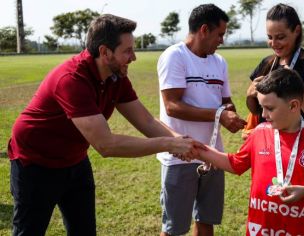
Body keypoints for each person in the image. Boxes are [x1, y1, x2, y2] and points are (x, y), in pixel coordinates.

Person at [7, 14, 204, 236]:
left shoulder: (116, 77)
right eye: (127, 51)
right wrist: (169, 144)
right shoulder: (72, 79)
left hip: (74, 160)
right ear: (104, 52)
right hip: (35, 163)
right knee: (28, 232)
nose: (134, 57)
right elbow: (106, 145)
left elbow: (146, 121)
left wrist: (180, 141)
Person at [191, 68, 304, 235]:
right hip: (262, 229)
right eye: (261, 107)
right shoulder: (259, 133)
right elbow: (235, 163)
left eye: (270, 108)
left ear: (293, 105)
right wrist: (199, 150)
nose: (263, 114)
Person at [157, 4, 246, 236]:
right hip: (180, 155)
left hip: (213, 153)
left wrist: (231, 114)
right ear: (204, 30)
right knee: (174, 228)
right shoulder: (174, 56)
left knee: (206, 220)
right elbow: (172, 106)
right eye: (220, 34)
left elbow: (225, 101)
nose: (222, 41)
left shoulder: (220, 62)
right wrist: (218, 114)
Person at [244, 3, 304, 140]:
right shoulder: (267, 64)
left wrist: (296, 87)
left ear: (296, 31)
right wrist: (250, 95)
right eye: (269, 37)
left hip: (301, 148)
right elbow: (256, 111)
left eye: (280, 37)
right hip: (268, 147)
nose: (274, 43)